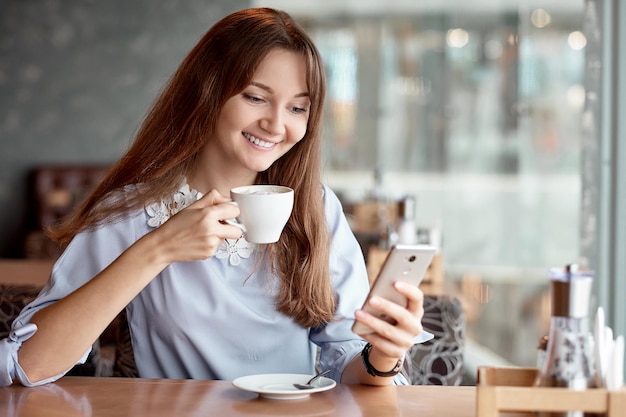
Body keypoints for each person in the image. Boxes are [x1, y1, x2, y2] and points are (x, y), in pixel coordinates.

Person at [0, 7, 428, 387]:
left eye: (298, 108)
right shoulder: (131, 210)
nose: (276, 125)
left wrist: (382, 357)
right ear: (207, 92)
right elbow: (27, 365)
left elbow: (347, 364)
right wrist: (158, 248)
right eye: (256, 97)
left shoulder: (315, 207)